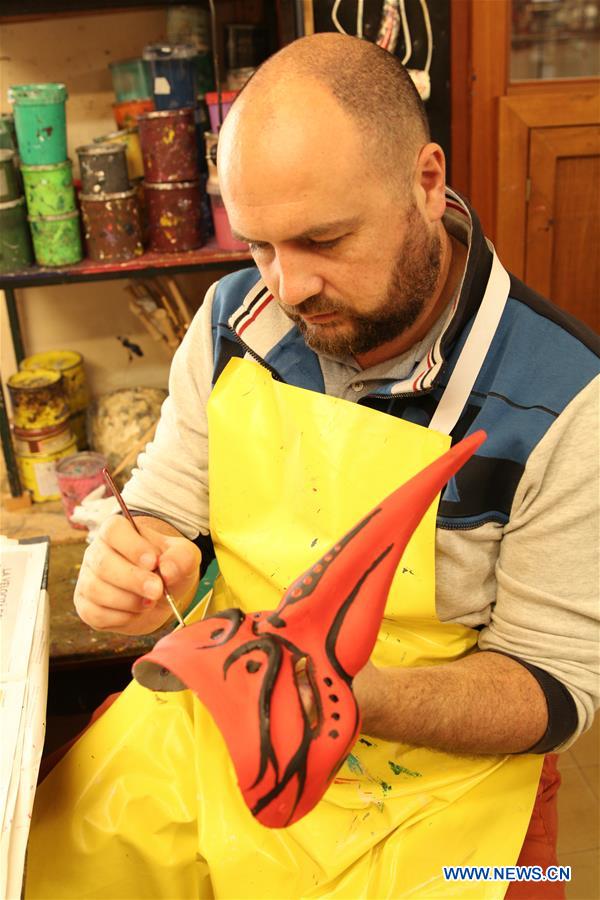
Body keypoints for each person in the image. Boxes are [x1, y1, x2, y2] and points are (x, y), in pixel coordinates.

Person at [67, 32, 597, 898]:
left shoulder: (566, 400)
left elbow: (557, 689)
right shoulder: (232, 319)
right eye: (261, 246)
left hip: (446, 788)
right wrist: (135, 559)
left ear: (426, 184)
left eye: (323, 238)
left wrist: (344, 695)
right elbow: (165, 506)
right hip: (227, 724)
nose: (289, 287)